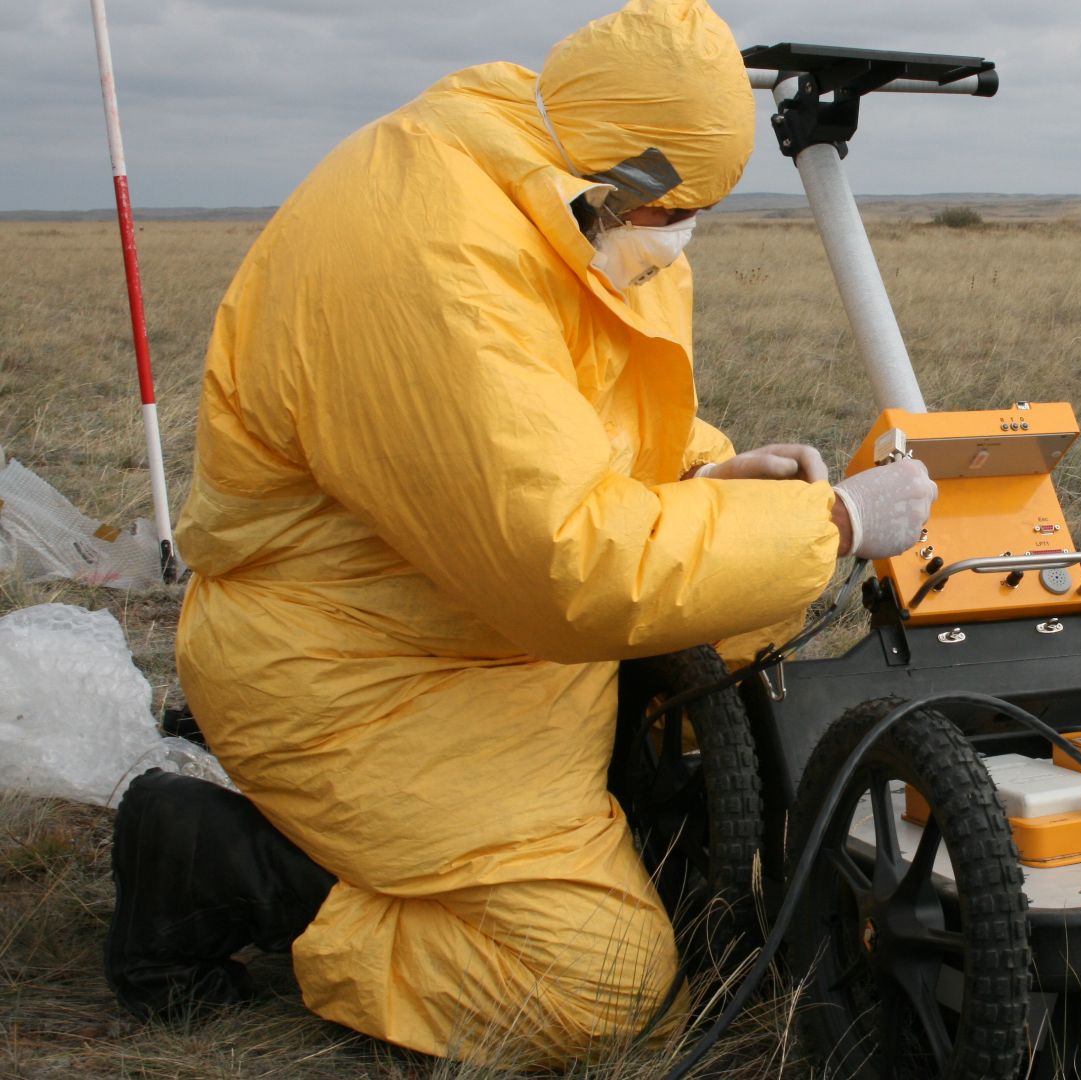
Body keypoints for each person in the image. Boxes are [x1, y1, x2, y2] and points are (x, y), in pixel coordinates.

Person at [104, 0, 936, 1065]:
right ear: (628, 179)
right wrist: (833, 522)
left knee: (740, 633)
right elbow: (565, 563)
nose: (682, 235)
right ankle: (238, 871)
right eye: (676, 209)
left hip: (477, 634)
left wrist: (703, 473)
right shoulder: (431, 257)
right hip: (358, 675)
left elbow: (562, 428)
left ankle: (607, 842)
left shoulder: (559, 180)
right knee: (604, 989)